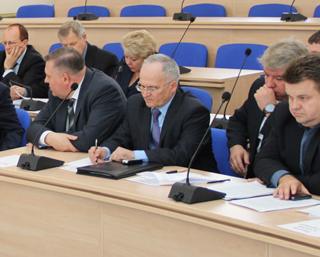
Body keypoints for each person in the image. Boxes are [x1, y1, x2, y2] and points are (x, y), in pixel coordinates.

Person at [89, 54, 217, 172]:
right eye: (142, 86)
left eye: (152, 88)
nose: (145, 94)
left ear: (172, 86)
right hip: (147, 175)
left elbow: (182, 156)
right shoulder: (135, 103)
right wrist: (105, 150)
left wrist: (135, 155)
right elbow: (122, 137)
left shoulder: (194, 111)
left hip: (191, 178)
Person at [254, 53, 320, 199]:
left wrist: (283, 181)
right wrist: (284, 178)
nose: (294, 106)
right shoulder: (284, 112)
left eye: (303, 98)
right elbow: (263, 160)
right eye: (290, 97)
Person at [227, 38, 308, 177]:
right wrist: (236, 146)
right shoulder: (259, 87)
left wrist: (270, 109)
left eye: (279, 78)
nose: (269, 84)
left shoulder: (305, 103)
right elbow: (238, 121)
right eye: (266, 75)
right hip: (253, 177)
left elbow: (291, 148)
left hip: (285, 177)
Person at [26, 46, 126, 152]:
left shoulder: (105, 91)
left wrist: (49, 140)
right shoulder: (57, 91)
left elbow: (89, 140)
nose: (45, 81)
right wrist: (50, 138)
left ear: (65, 78)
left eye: (49, 76)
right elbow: (33, 128)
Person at [0, 23, 47, 100]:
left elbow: (19, 91)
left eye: (11, 43)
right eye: (5, 43)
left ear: (24, 43)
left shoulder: (35, 61)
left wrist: (8, 69)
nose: (7, 47)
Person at [114, 30, 157, 98]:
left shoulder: (159, 72)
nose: (128, 62)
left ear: (148, 56)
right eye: (126, 56)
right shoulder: (124, 64)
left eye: (134, 59)